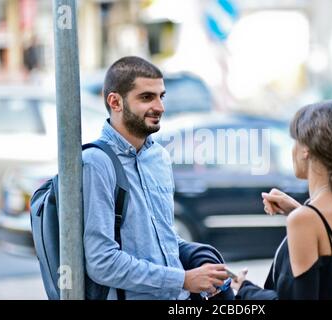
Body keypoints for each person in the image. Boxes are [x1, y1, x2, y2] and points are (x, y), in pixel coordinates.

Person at [82, 56, 231, 300]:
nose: (160, 106)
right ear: (115, 102)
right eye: (146, 97)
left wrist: (205, 267)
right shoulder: (96, 163)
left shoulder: (159, 157)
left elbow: (162, 237)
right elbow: (101, 261)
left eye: (161, 96)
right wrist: (183, 280)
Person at [231, 100, 332, 300]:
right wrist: (298, 211)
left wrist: (245, 290)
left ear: (306, 149)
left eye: (295, 141)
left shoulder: (304, 221)